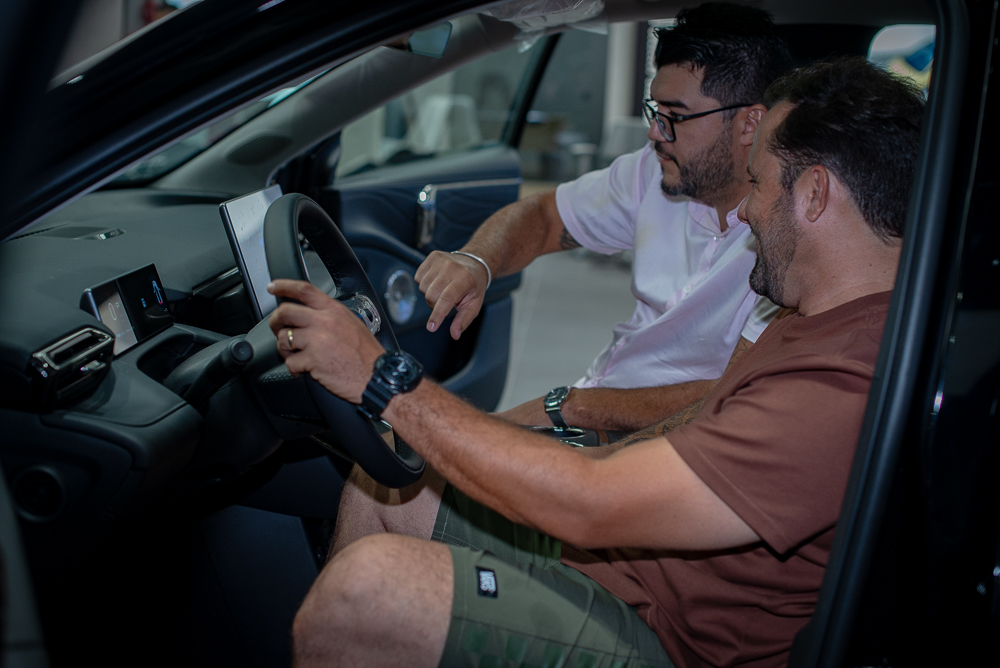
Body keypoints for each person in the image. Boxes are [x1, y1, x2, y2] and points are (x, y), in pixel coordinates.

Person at [267, 57, 924, 667]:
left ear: (814, 193)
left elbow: (592, 504)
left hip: (671, 640)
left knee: (365, 591)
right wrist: (558, 444)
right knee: (385, 485)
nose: (746, 211)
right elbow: (683, 433)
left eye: (759, 184)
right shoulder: (806, 320)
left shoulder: (842, 383)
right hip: (627, 566)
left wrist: (384, 381)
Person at [418, 3, 792, 432]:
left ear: (750, 123)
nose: (654, 132)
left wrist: (568, 409)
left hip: (663, 440)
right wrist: (477, 262)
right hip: (593, 407)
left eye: (675, 116)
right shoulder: (653, 170)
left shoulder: (789, 238)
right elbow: (545, 216)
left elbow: (735, 394)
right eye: (655, 111)